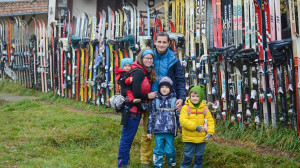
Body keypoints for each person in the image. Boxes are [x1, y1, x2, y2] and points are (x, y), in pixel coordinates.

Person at [140, 32, 186, 166]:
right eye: (159, 42)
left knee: (166, 131)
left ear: (168, 43)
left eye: (164, 42)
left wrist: (181, 98)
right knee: (147, 130)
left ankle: (163, 160)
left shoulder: (173, 59)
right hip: (151, 98)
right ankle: (145, 160)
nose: (161, 45)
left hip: (168, 100)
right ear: (155, 42)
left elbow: (180, 79)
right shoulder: (149, 57)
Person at [117, 49, 157, 168]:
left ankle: (124, 162)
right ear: (141, 58)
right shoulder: (139, 72)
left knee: (127, 136)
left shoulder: (143, 71)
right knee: (127, 137)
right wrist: (148, 96)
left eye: (151, 58)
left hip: (135, 109)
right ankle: (122, 164)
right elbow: (136, 92)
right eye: (147, 58)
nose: (149, 60)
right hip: (132, 110)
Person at [147, 77, 179, 168]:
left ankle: (171, 163)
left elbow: (178, 116)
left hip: (170, 131)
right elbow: (151, 116)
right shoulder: (155, 101)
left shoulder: (174, 101)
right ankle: (157, 165)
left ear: (170, 88)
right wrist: (149, 131)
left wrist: (181, 128)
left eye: (167, 87)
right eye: (162, 87)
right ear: (159, 88)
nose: (164, 89)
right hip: (158, 131)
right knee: (158, 149)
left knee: (170, 150)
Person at [179, 85, 215, 168]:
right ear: (189, 96)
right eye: (193, 96)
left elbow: (210, 121)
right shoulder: (185, 108)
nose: (195, 98)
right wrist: (196, 127)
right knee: (188, 156)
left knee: (199, 157)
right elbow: (183, 121)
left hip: (201, 138)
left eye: (197, 96)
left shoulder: (204, 109)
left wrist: (210, 133)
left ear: (201, 97)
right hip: (189, 137)